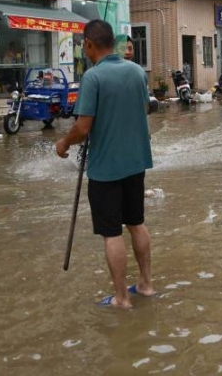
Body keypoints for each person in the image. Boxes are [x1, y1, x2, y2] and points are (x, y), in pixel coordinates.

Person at [56, 20, 154, 309]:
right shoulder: (137, 72)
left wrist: (63, 143)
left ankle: (122, 297)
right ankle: (146, 284)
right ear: (114, 43)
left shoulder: (93, 77)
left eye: (83, 46)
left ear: (89, 44)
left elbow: (83, 127)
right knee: (136, 223)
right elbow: (143, 110)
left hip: (106, 170)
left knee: (112, 233)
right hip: (136, 163)